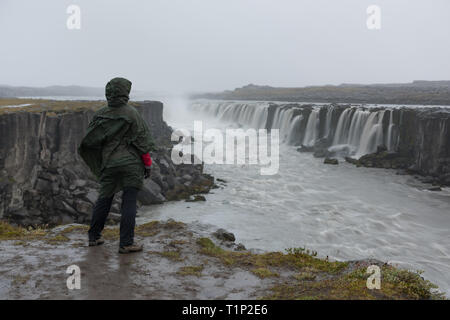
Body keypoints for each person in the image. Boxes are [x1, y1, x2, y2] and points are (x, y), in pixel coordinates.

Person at [78, 77, 154, 254]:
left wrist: (100, 160)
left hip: (109, 164)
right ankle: (126, 243)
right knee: (129, 202)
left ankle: (94, 237)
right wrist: (148, 165)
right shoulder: (132, 114)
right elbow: (142, 143)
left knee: (104, 199)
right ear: (125, 92)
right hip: (131, 164)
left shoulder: (100, 114)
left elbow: (90, 141)